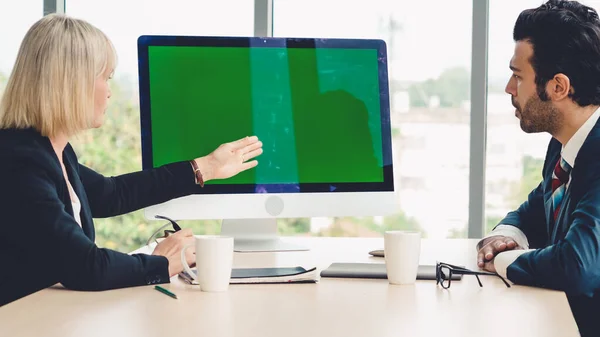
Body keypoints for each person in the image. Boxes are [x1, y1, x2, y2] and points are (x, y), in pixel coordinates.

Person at [0, 14, 263, 306]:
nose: (110, 91)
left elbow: (111, 194)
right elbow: (85, 267)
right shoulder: (18, 162)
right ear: (71, 82)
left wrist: (207, 167)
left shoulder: (51, 151)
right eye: (105, 77)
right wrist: (162, 262)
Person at [476, 1, 600, 335]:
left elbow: (577, 267)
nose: (508, 88)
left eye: (518, 76)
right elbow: (536, 208)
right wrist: (504, 236)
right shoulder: (566, 144)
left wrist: (503, 261)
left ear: (558, 87)